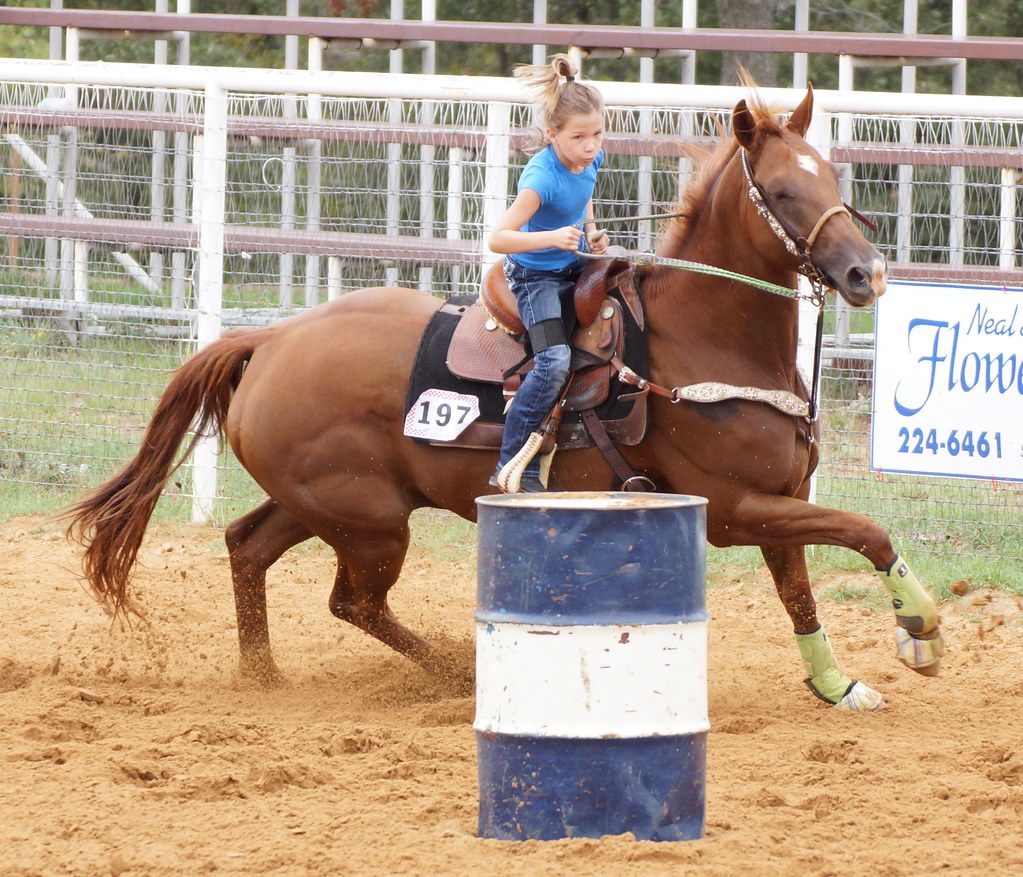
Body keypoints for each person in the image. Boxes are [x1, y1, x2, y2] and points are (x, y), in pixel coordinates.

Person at [487, 53, 609, 493]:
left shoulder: (590, 158)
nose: (591, 145)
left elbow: (585, 197)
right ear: (553, 134)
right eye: (580, 137)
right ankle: (510, 466)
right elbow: (498, 239)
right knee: (553, 362)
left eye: (597, 134)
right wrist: (552, 238)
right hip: (534, 275)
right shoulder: (540, 177)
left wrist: (591, 233)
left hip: (571, 260)